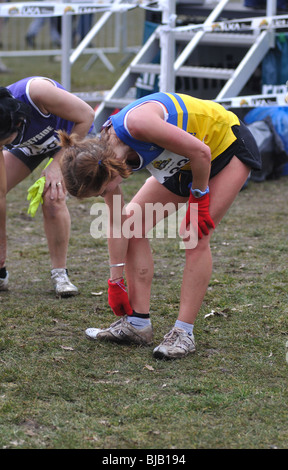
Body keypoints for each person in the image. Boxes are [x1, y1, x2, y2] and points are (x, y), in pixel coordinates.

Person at [58, 92, 261, 359]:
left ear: (108, 173)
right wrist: (115, 280)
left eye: (99, 192)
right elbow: (118, 223)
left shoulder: (138, 124)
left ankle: (183, 333)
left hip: (225, 147)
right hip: (185, 162)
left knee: (194, 234)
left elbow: (202, 152)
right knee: (132, 223)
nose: (102, 196)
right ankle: (137, 324)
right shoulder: (103, 159)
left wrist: (199, 200)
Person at [0, 76, 95, 296]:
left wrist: (57, 164)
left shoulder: (37, 92)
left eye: (4, 143)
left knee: (52, 196)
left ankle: (60, 275)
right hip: (31, 146)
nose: (4, 147)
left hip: (70, 138)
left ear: (17, 123)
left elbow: (87, 116)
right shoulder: (4, 127)